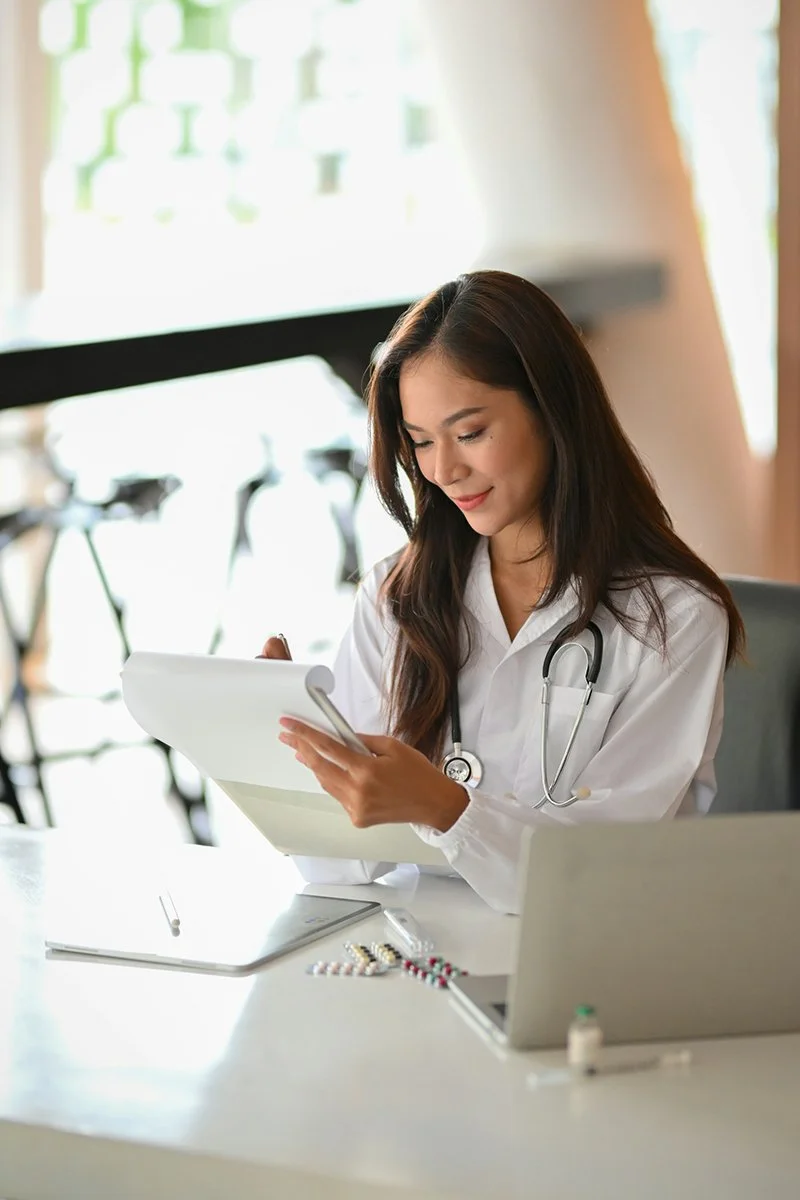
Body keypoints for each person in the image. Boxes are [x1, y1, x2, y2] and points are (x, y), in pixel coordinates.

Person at [264, 270, 744, 915]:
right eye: (421, 442)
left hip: (593, 960)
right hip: (426, 953)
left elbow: (601, 874)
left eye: (469, 433)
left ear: (553, 410)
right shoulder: (395, 595)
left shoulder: (673, 619)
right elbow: (337, 862)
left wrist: (442, 806)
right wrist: (295, 749)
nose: (443, 471)